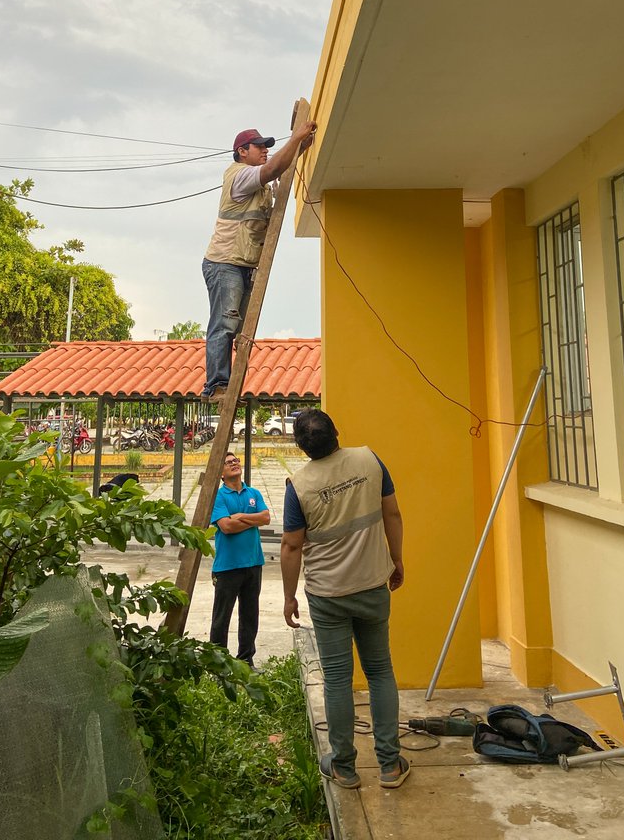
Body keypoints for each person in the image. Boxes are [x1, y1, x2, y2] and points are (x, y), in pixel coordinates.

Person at [281, 409, 409, 791]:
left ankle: (344, 767)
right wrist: (396, 559)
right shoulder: (369, 460)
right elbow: (393, 513)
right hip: (372, 584)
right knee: (380, 672)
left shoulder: (299, 486)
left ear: (300, 446)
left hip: (327, 595)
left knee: (337, 680)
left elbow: (290, 546)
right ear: (337, 432)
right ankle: (389, 765)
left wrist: (289, 597)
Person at [200, 119, 316, 401]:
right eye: (259, 146)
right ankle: (216, 385)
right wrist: (296, 139)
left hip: (242, 263)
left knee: (238, 330)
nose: (264, 150)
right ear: (242, 151)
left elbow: (278, 165)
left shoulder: (256, 182)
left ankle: (229, 385)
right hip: (225, 262)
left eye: (266, 147)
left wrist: (298, 148)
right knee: (224, 324)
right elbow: (274, 168)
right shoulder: (240, 175)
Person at [209, 451, 270, 667]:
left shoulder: (253, 492)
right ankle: (218, 663)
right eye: (228, 462)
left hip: (254, 563)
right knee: (221, 617)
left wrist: (240, 517)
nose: (234, 464)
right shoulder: (218, 496)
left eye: (236, 461)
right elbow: (226, 527)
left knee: (250, 616)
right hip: (228, 566)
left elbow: (266, 517)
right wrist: (252, 520)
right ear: (221, 472)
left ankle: (246, 660)